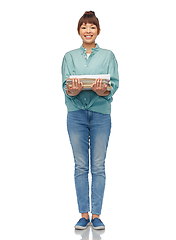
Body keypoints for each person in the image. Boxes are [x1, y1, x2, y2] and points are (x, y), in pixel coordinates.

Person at [61, 11, 119, 230]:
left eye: (92, 27)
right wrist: (72, 91)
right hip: (75, 114)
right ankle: (83, 215)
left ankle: (96, 215)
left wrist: (103, 90)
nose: (88, 31)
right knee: (80, 166)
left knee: (98, 166)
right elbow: (65, 87)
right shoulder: (69, 57)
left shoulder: (109, 56)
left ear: (98, 31)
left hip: (101, 115)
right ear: (78, 31)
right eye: (84, 27)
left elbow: (114, 84)